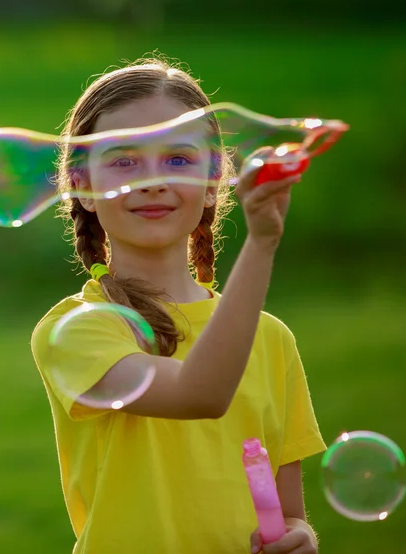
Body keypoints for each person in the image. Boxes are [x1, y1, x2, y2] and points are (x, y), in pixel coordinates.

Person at [31, 56, 326, 554]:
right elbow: (200, 395)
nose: (152, 180)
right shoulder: (77, 329)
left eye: (178, 159)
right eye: (123, 160)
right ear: (82, 187)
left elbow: (288, 510)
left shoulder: (271, 339)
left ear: (214, 182)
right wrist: (262, 244)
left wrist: (301, 535)